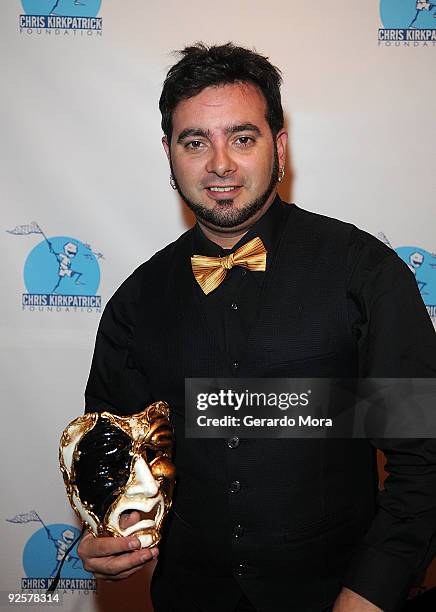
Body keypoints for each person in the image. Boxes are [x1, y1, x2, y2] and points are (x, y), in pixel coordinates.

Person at [78, 43, 436, 612]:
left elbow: (425, 457)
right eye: (196, 141)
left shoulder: (364, 273)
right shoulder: (135, 302)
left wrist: (369, 593)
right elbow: (116, 458)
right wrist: (104, 531)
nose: (220, 164)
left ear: (280, 146)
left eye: (242, 138)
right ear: (169, 153)